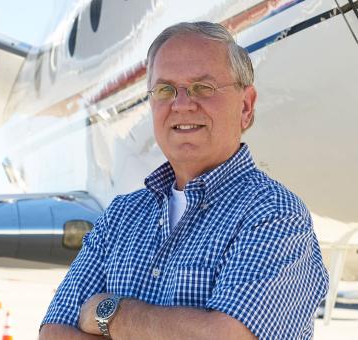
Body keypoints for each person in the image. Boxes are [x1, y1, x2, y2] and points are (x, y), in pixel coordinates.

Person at [39, 21, 328, 339]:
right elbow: (53, 333)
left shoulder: (274, 214)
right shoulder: (121, 215)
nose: (181, 104)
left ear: (245, 106)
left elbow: (225, 338)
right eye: (165, 90)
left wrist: (110, 313)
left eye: (203, 87)